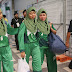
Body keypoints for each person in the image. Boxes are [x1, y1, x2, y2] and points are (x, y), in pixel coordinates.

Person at [18, 7, 42, 72]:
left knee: (37, 62)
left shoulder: (36, 23)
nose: (33, 15)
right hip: (26, 45)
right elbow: (20, 36)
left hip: (35, 45)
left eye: (34, 13)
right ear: (28, 14)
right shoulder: (24, 23)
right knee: (25, 63)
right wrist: (22, 49)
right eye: (30, 13)